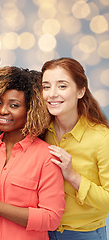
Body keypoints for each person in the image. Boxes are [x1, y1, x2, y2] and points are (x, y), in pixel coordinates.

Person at [0, 66, 65, 240]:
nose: (3, 110)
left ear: (31, 110)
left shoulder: (47, 157)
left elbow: (52, 218)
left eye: (14, 105)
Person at [41, 57, 109, 240]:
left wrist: (72, 176)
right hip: (42, 232)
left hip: (85, 234)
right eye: (46, 87)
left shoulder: (101, 138)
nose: (52, 94)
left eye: (62, 86)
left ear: (80, 91)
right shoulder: (39, 132)